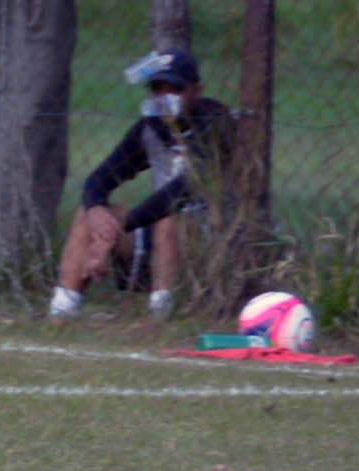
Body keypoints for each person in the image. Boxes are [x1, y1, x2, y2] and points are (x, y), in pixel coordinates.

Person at [49, 49, 238, 322]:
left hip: (210, 239)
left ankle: (163, 314)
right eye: (157, 89)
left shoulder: (217, 124)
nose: (164, 98)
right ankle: (62, 311)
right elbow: (99, 179)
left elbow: (180, 193)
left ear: (197, 91)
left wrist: (116, 232)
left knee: (170, 218)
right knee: (90, 215)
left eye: (174, 89)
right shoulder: (150, 129)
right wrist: (96, 211)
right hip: (156, 234)